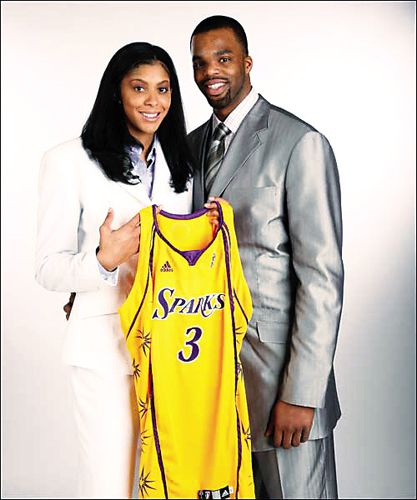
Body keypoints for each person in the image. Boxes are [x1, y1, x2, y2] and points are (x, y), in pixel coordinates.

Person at [35, 42, 219, 499]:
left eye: (163, 89)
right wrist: (104, 260)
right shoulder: (68, 160)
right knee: (109, 485)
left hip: (173, 347)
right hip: (105, 349)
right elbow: (48, 268)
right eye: (139, 88)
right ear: (116, 94)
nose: (153, 101)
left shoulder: (182, 166)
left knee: (169, 482)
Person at [188, 15, 344, 500]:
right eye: (199, 63)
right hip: (210, 386)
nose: (210, 72)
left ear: (248, 63)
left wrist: (302, 393)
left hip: (281, 385)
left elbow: (321, 277)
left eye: (223, 58)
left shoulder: (299, 142)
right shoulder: (187, 148)